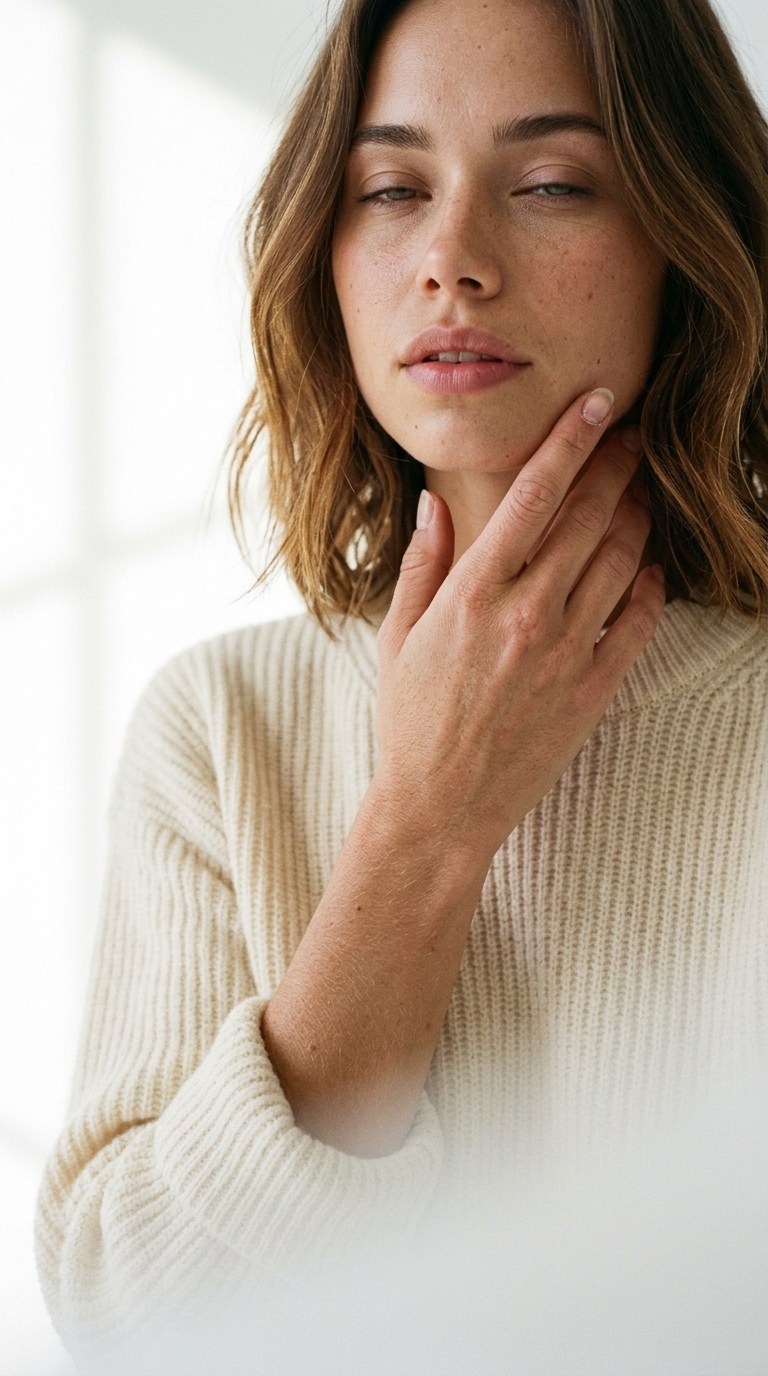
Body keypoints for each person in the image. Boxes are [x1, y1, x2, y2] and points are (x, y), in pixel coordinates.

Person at [36, 0, 768, 1360]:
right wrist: (426, 822)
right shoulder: (220, 731)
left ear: (689, 234)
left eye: (551, 183)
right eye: (391, 189)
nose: (452, 261)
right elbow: (133, 1331)